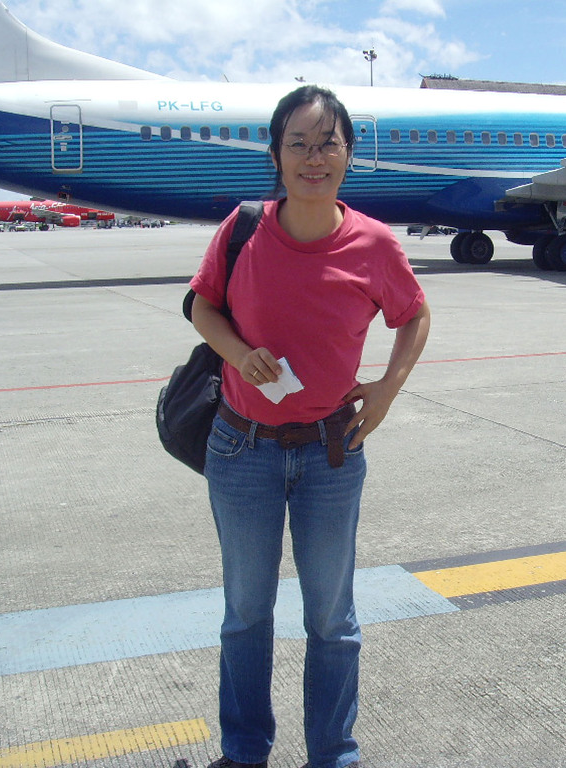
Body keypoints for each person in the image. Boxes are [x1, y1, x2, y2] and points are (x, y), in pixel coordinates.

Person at [189, 85, 431, 768]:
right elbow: (202, 306)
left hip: (332, 452)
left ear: (350, 154)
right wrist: (239, 353)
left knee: (332, 618)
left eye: (328, 144)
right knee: (246, 613)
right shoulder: (243, 229)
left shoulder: (373, 243)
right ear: (276, 155)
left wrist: (387, 389)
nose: (313, 158)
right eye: (297, 143)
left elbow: (414, 314)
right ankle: (245, 751)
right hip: (242, 448)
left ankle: (333, 753)